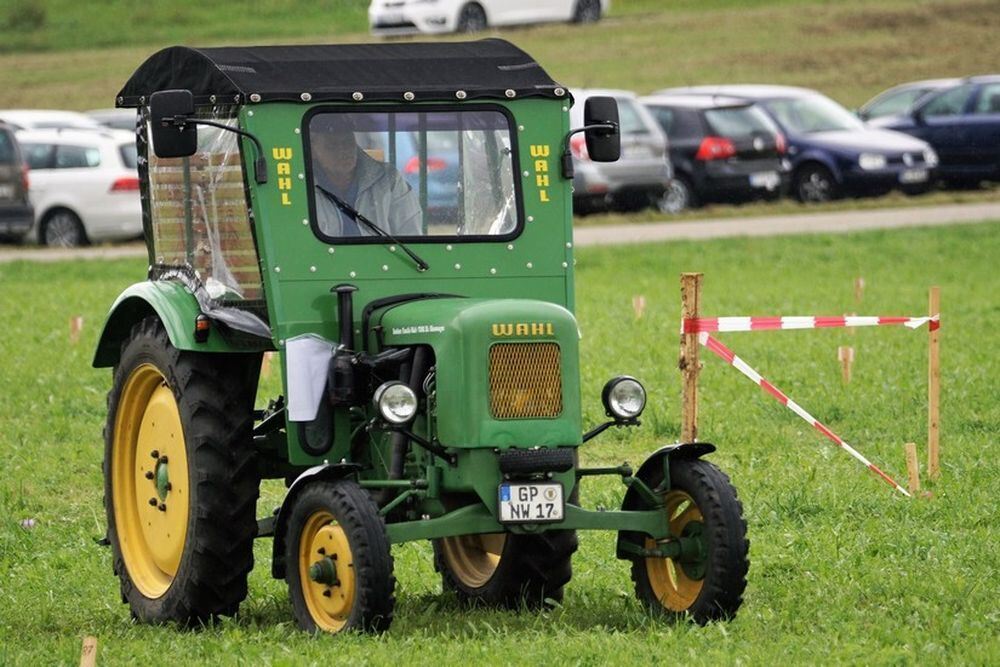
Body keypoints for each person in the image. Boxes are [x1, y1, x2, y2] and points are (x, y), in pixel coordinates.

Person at [311, 116, 422, 237]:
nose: (343, 151)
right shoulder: (303, 184)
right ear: (313, 151)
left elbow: (410, 233)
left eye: (348, 143)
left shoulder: (389, 180)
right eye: (332, 146)